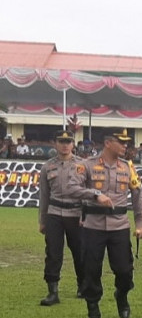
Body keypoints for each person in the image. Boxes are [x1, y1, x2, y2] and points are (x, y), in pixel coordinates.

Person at [66, 129, 142, 318]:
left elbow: (138, 195)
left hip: (119, 226)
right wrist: (95, 194)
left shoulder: (127, 168)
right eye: (121, 142)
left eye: (126, 143)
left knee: (124, 270)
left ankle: (122, 294)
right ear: (108, 143)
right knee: (91, 270)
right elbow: (71, 188)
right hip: (92, 226)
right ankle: (93, 312)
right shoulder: (86, 165)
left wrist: (141, 223)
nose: (125, 146)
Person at [37, 129, 85, 306]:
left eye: (68, 142)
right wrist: (42, 221)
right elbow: (44, 196)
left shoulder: (82, 165)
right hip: (54, 213)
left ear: (73, 144)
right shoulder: (47, 166)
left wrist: (86, 216)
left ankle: (82, 285)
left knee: (80, 252)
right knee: (53, 253)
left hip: (76, 214)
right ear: (55, 144)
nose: (65, 145)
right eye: (61, 142)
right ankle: (53, 291)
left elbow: (88, 193)